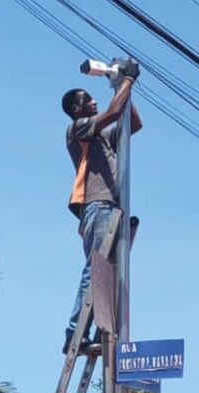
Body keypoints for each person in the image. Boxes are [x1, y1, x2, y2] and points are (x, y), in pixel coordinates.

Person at [61, 62, 143, 354]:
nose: (93, 102)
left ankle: (99, 328)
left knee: (109, 270)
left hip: (112, 207)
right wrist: (127, 82)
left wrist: (121, 85)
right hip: (97, 205)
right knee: (95, 269)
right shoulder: (77, 129)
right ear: (76, 109)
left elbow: (132, 124)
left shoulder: (102, 139)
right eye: (87, 100)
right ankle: (75, 332)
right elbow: (111, 113)